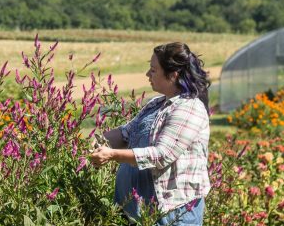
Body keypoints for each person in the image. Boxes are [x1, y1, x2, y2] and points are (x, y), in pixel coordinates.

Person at [90, 42, 211, 225]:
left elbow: (162, 155)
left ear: (173, 75)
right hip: (140, 213)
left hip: (172, 214)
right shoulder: (156, 104)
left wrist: (112, 155)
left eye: (153, 70)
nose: (147, 75)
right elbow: (125, 134)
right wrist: (93, 142)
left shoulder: (189, 108)